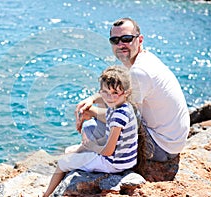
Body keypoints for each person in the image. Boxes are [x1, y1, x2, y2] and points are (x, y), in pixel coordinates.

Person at [74, 17, 190, 162]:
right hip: (173, 141)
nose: (120, 44)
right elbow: (119, 92)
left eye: (127, 39)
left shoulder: (139, 71)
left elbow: (124, 118)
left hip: (160, 147)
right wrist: (91, 99)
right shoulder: (145, 58)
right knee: (103, 115)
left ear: (140, 40)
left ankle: (81, 157)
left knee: (92, 127)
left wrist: (91, 112)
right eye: (115, 40)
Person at [42, 66, 140, 197]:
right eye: (105, 92)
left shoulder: (118, 116)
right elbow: (106, 119)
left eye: (115, 93)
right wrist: (90, 110)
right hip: (126, 160)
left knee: (62, 163)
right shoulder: (123, 107)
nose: (109, 97)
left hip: (113, 163)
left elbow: (108, 151)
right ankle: (80, 154)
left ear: (127, 92)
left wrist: (90, 146)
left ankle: (44, 196)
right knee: (70, 150)